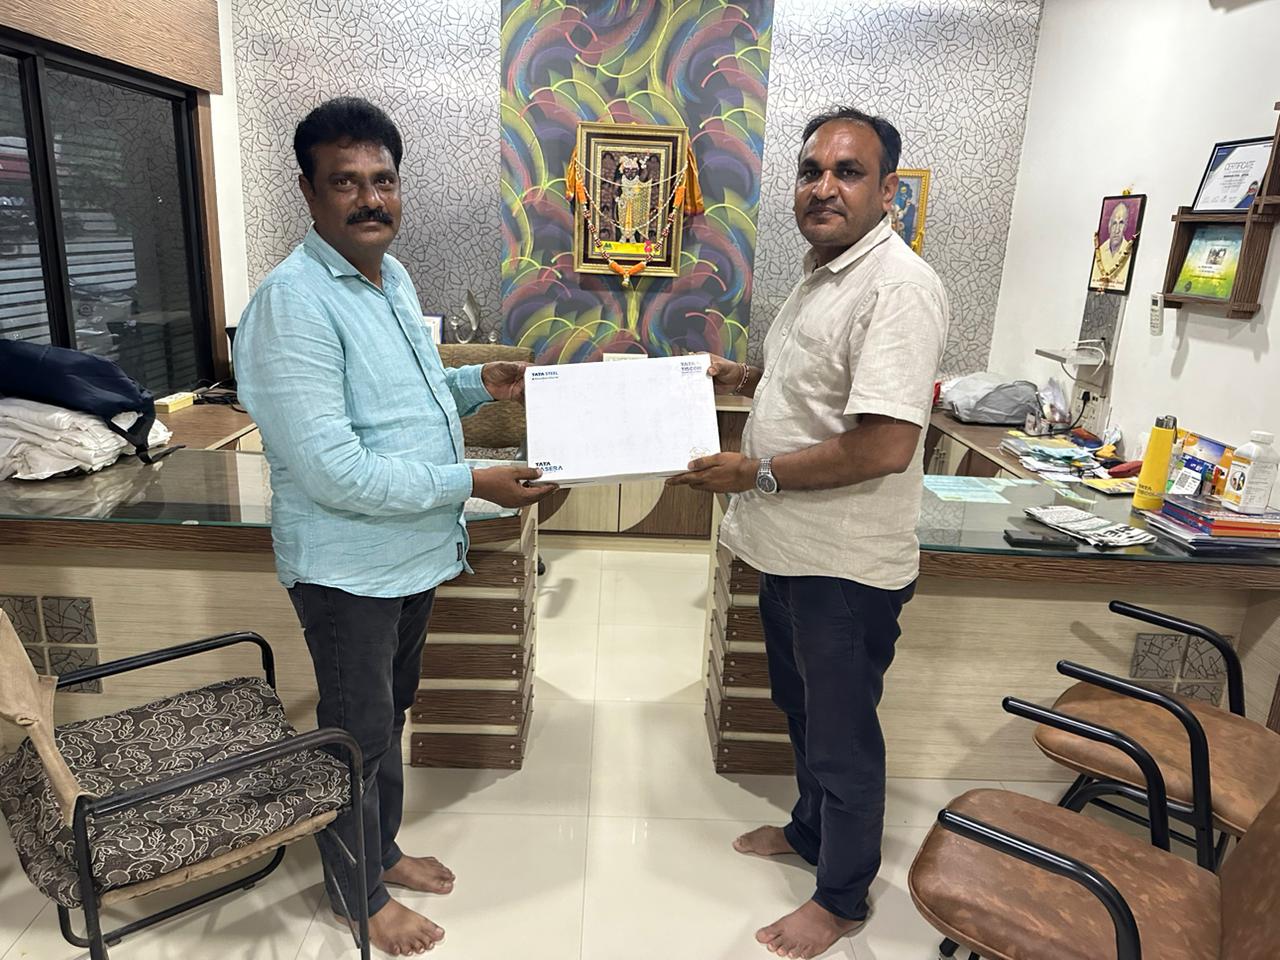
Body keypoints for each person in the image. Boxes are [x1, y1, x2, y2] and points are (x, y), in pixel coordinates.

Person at [233, 97, 555, 956]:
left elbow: (404, 400)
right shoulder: (293, 304)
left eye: (383, 180)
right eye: (346, 182)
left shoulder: (391, 277)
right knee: (357, 734)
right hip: (348, 570)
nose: (370, 198)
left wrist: (479, 383)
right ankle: (359, 895)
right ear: (309, 192)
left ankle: (380, 850)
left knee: (390, 715)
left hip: (411, 554)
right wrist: (472, 481)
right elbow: (332, 468)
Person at [669, 106, 949, 959]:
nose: (824, 187)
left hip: (845, 568)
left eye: (848, 171)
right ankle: (808, 830)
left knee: (842, 734)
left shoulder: (898, 288)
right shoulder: (821, 274)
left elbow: (884, 444)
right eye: (811, 171)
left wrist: (753, 472)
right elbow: (816, 389)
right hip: (788, 550)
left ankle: (842, 896)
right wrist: (741, 374)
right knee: (800, 711)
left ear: (888, 190)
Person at [1092, 200, 1133, 289]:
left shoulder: (1130, 251)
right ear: (1109, 226)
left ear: (1125, 226)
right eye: (1114, 223)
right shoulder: (1100, 250)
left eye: (1121, 223)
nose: (1117, 230)